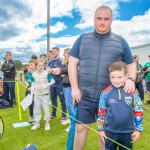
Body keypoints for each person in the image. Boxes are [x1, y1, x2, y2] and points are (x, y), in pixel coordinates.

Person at [68, 6, 136, 150]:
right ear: (94, 19)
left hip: (109, 98)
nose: (102, 22)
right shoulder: (82, 39)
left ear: (111, 20)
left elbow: (131, 65)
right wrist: (74, 88)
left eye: (106, 19)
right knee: (80, 130)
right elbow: (72, 63)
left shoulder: (120, 41)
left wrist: (131, 79)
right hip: (84, 96)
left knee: (104, 136)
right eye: (99, 18)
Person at [97, 61, 143, 150]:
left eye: (120, 77)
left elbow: (139, 111)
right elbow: (101, 112)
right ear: (109, 76)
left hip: (127, 133)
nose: (116, 80)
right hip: (110, 132)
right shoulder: (105, 93)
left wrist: (138, 130)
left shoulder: (132, 92)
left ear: (126, 76)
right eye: (113, 77)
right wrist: (100, 129)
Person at [30, 59, 54, 131]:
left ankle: (47, 123)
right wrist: (31, 95)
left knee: (46, 109)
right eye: (39, 66)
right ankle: (37, 123)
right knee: (36, 109)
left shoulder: (47, 73)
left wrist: (47, 85)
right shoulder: (33, 74)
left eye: (42, 65)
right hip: (36, 94)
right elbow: (32, 84)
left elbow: (53, 81)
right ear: (36, 66)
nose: (41, 67)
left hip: (45, 94)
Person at [46, 47, 67, 123]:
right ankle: (53, 113)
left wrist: (51, 70)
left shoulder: (60, 60)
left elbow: (58, 72)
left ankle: (64, 116)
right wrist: (53, 70)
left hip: (59, 83)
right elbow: (47, 70)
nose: (53, 52)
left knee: (62, 100)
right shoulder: (50, 61)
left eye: (55, 51)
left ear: (58, 51)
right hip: (52, 84)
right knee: (53, 99)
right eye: (52, 51)